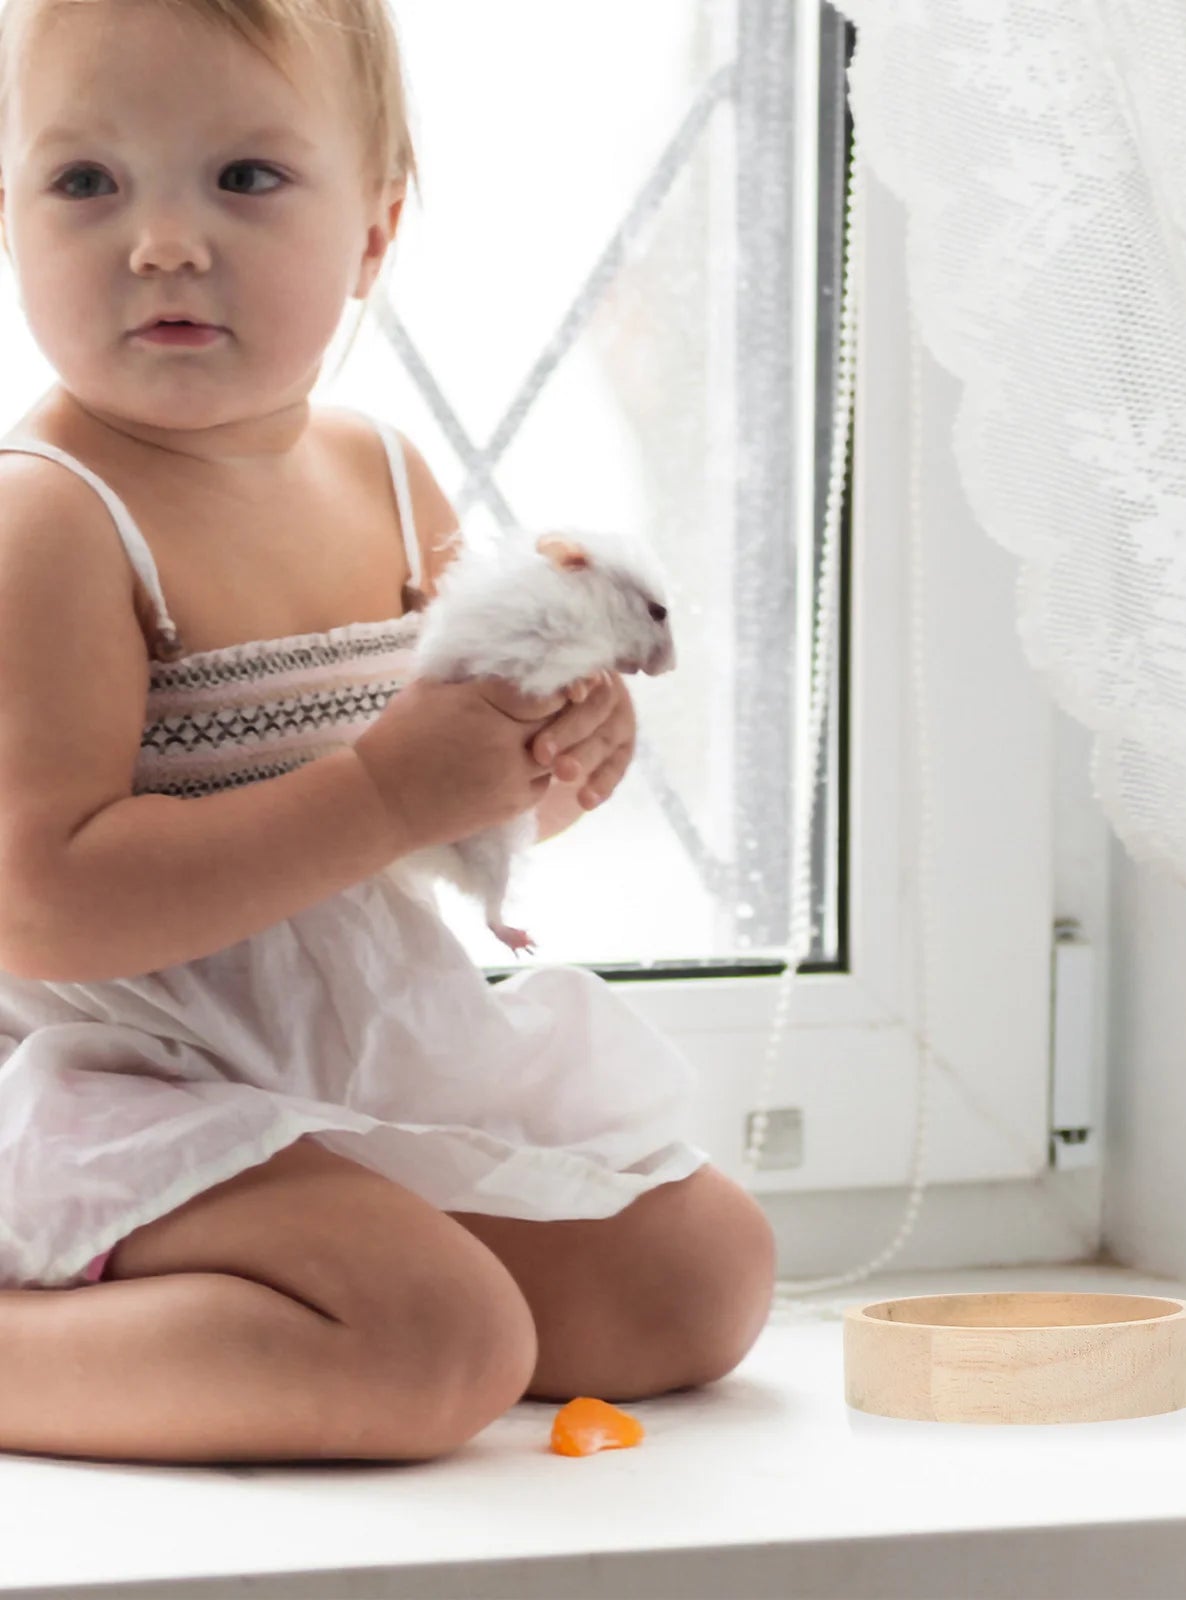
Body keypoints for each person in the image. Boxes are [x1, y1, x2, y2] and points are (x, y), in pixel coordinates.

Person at [0, 0, 775, 1467]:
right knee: (435, 1348)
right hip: (113, 1078)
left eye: (243, 178)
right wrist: (381, 789)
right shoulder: (50, 516)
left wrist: (532, 773)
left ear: (374, 230)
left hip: (327, 1046)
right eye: (86, 182)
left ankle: (272, 1289)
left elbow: (416, 814)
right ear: (6, 219)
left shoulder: (382, 473)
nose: (162, 242)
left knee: (699, 1277)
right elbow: (41, 902)